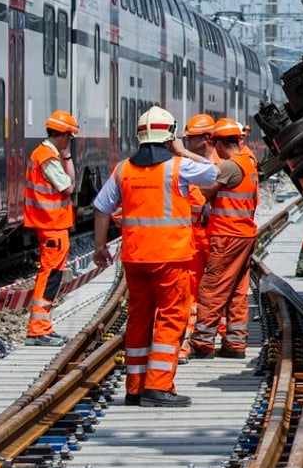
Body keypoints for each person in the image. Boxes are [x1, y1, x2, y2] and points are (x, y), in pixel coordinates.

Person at [92, 106, 217, 407]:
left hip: (135, 259)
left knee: (139, 318)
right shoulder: (178, 167)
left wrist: (99, 247)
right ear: (169, 137)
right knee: (172, 318)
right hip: (169, 258)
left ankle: (134, 387)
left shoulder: (123, 169)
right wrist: (182, 150)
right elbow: (213, 172)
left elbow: (101, 206)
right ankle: (158, 387)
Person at [189, 117, 259, 360]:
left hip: (227, 235)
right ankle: (235, 343)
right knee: (238, 290)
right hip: (244, 233)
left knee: (212, 289)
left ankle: (202, 342)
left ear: (219, 142)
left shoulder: (230, 166)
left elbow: (205, 188)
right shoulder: (249, 161)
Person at [23, 110, 80, 346]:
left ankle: (43, 327)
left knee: (52, 275)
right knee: (49, 276)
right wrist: (67, 158)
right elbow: (69, 187)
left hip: (52, 224)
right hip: (51, 224)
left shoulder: (42, 154)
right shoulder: (48, 157)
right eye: (70, 137)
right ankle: (38, 329)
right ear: (64, 136)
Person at [177, 113, 216, 364]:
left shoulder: (215, 162)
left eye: (189, 139)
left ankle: (205, 339)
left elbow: (213, 174)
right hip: (193, 235)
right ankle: (190, 343)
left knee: (211, 292)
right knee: (192, 293)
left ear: (204, 139)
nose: (186, 142)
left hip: (210, 234)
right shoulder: (185, 164)